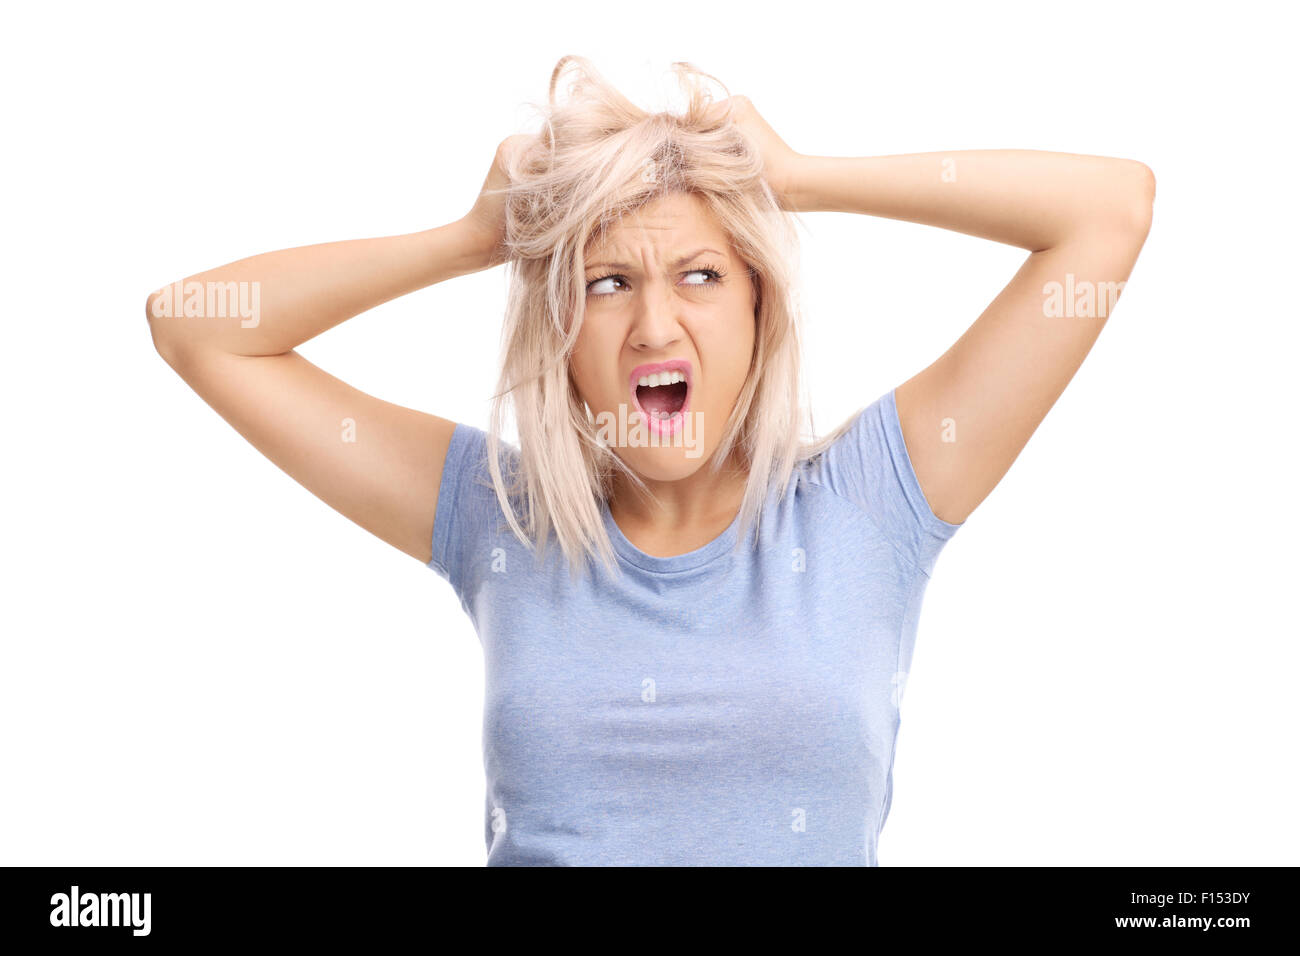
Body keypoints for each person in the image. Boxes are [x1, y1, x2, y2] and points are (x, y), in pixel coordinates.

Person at [145, 55, 1154, 865]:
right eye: (608, 281)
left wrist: (802, 180)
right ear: (560, 332)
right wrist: (472, 238)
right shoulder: (498, 513)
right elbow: (197, 327)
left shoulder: (867, 501)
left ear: (759, 309)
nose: (653, 325)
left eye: (702, 275)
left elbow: (1108, 212)